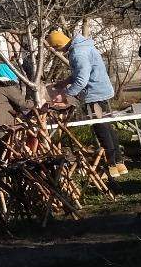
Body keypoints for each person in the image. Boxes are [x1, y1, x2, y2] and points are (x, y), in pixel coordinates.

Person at [50, 28, 127, 177]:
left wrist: (65, 95)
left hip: (94, 95)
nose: (56, 51)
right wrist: (66, 81)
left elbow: (82, 79)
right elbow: (81, 73)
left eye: (55, 48)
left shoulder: (78, 53)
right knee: (107, 127)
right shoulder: (83, 47)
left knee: (102, 130)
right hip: (101, 91)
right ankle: (119, 163)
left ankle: (111, 166)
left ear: (58, 45)